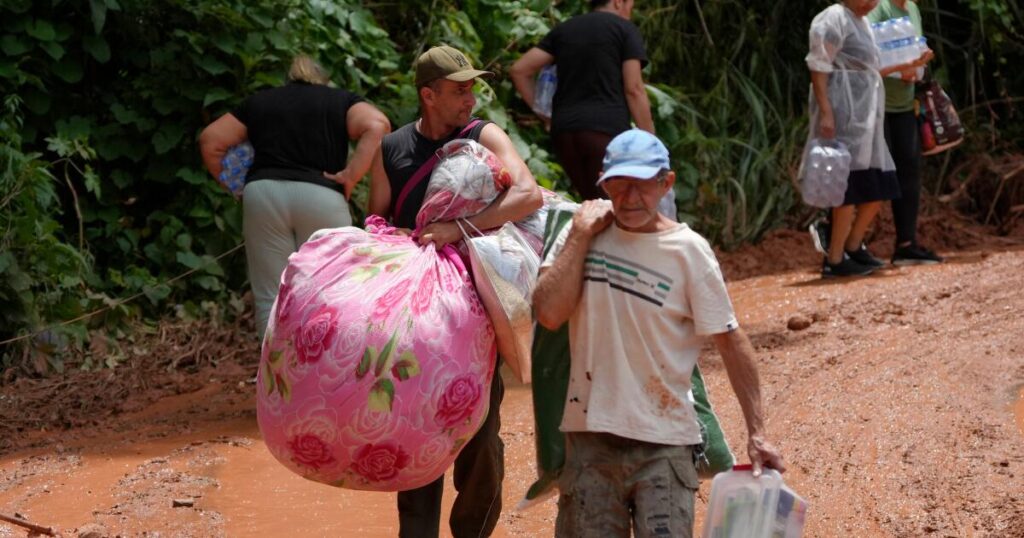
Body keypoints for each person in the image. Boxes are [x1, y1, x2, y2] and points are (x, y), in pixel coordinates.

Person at [532, 129, 785, 537]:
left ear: (666, 182)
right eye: (619, 184)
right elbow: (548, 313)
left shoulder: (688, 250)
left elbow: (731, 341)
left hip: (665, 444)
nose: (631, 197)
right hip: (589, 441)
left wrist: (757, 433)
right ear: (603, 182)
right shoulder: (578, 234)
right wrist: (580, 234)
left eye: (643, 185)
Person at [368, 45, 542, 538]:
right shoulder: (391, 149)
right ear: (428, 95)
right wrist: (391, 235)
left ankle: (474, 529)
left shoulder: (483, 135)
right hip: (414, 319)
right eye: (459, 90)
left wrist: (457, 228)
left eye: (472, 88)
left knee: (481, 436)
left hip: (474, 310)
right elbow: (375, 219)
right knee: (416, 427)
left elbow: (526, 193)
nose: (471, 98)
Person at [199, 55, 390, 337]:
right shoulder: (339, 100)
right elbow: (377, 125)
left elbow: (210, 140)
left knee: (271, 296)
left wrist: (236, 187)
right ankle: (326, 373)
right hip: (322, 194)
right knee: (331, 292)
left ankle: (273, 377)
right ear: (322, 79)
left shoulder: (261, 101)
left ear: (289, 79)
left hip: (263, 194)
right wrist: (351, 175)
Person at [801, 0, 931, 278]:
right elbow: (818, 66)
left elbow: (871, 68)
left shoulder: (861, 22)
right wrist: (826, 112)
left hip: (866, 115)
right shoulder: (833, 18)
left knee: (880, 184)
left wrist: (910, 64)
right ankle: (835, 259)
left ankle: (853, 246)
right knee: (847, 188)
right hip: (841, 110)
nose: (872, 2)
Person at [509, 0, 654, 202]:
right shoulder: (624, 29)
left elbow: (520, 69)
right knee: (616, 206)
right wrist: (651, 142)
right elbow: (634, 89)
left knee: (593, 202)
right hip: (605, 132)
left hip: (564, 134)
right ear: (618, 2)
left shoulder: (565, 29)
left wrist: (546, 115)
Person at [869, 0, 943, 265]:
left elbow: (914, 51)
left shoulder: (912, 8)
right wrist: (903, 71)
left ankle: (906, 244)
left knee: (909, 171)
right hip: (876, 104)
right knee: (872, 172)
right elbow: (865, 56)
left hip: (903, 103)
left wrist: (920, 63)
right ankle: (841, 243)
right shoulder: (877, 7)